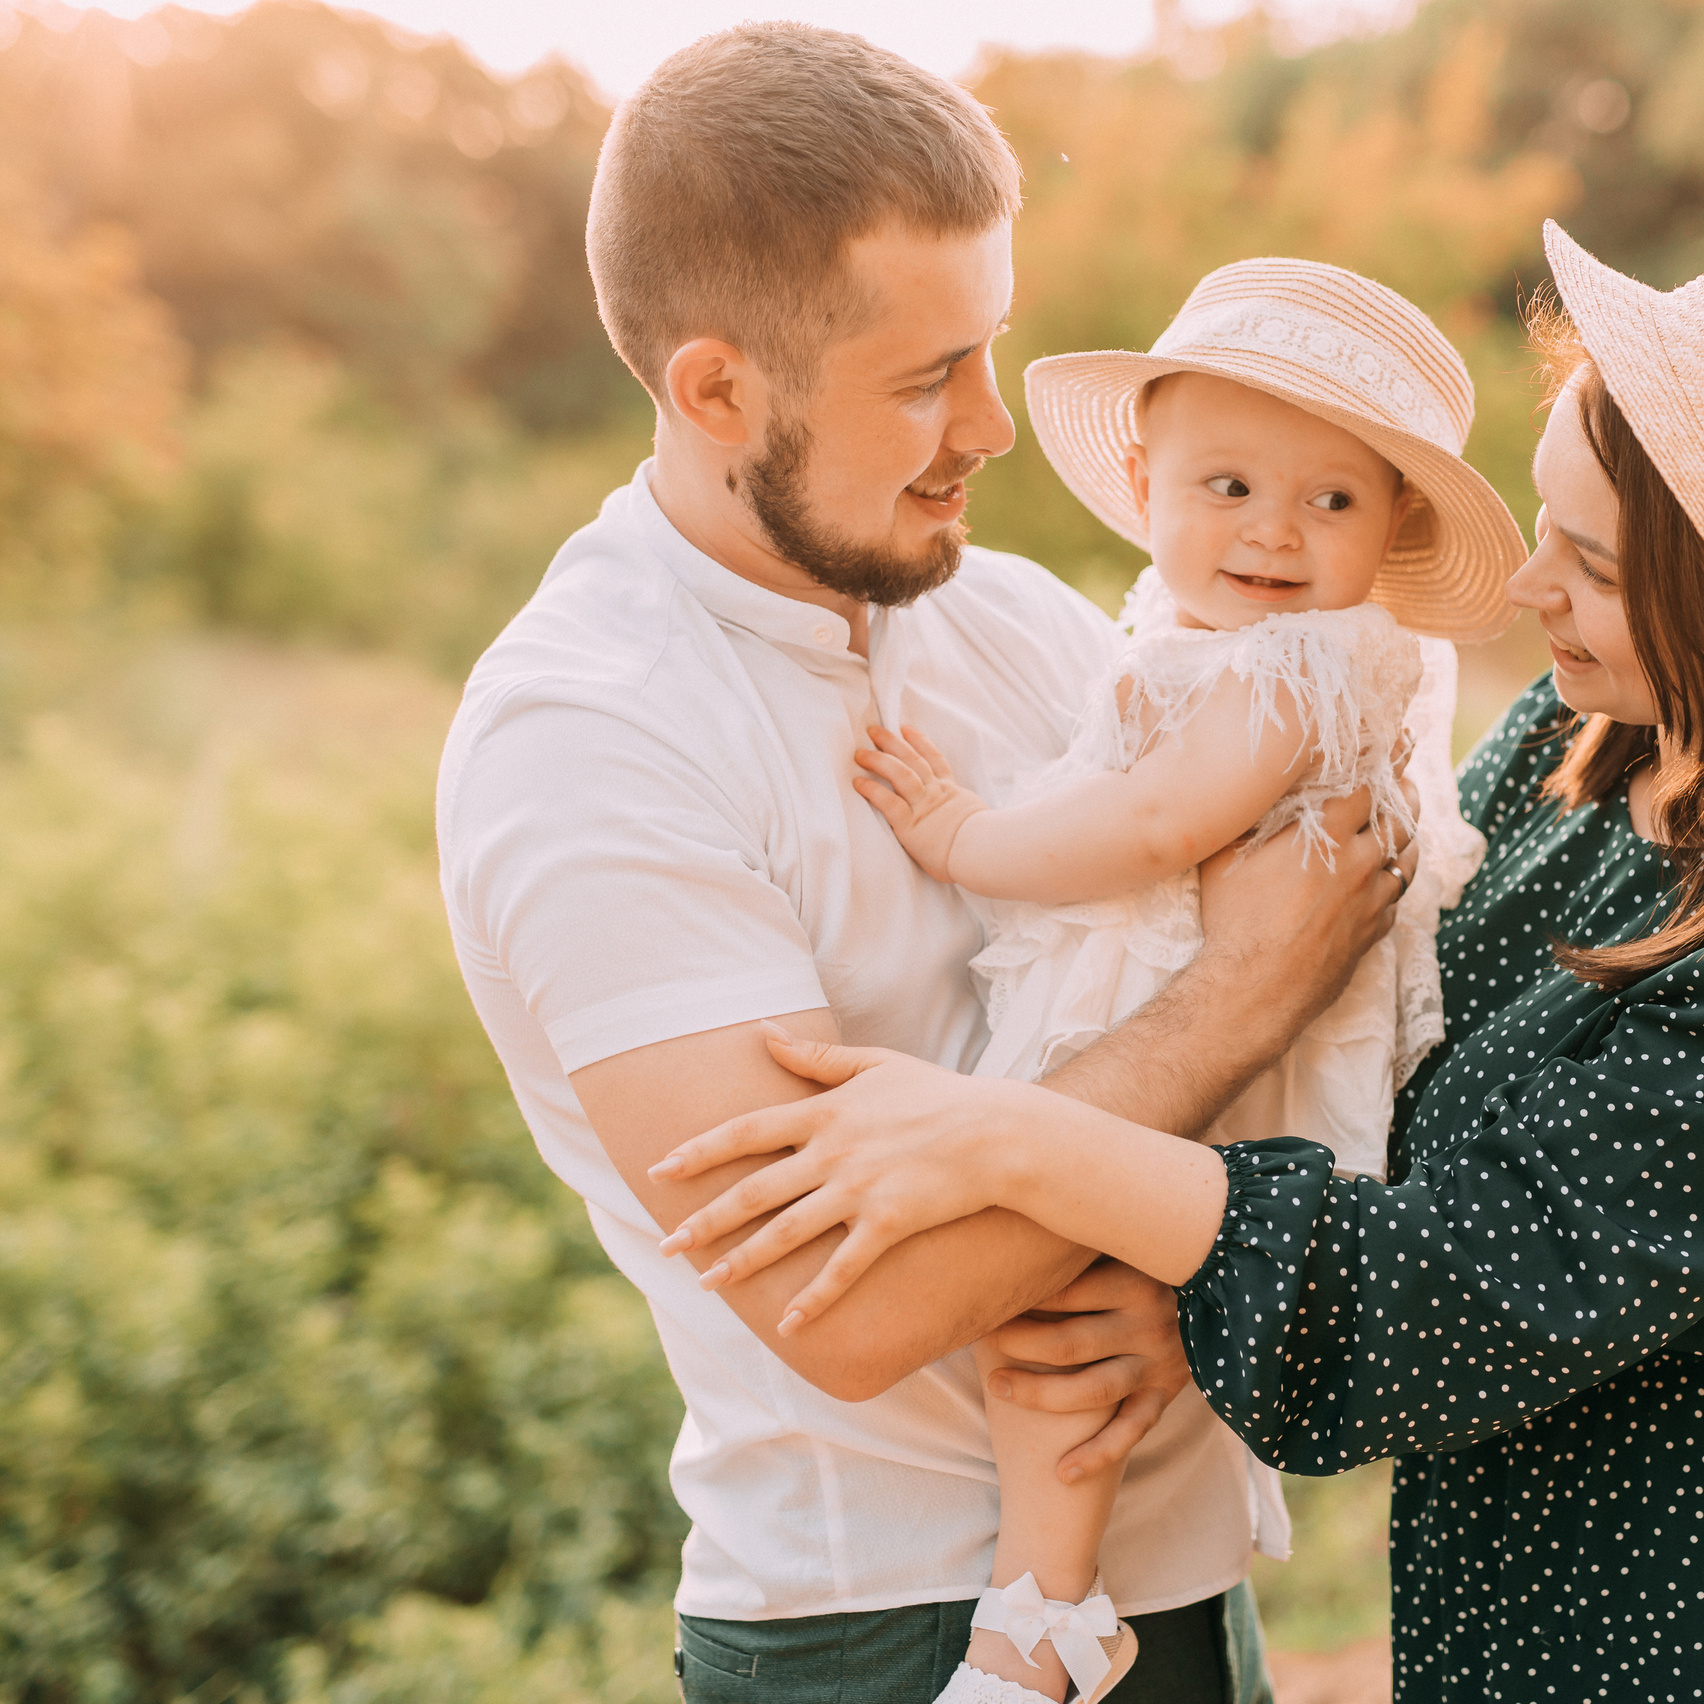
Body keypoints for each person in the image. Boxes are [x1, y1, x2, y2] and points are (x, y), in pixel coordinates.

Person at [649, 214, 1704, 1701]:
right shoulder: (1587, 745)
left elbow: (1471, 1288)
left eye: (1589, 565)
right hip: (1518, 1569)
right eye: (1546, 524)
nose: (1526, 589)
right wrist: (1197, 1278)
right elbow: (1409, 1078)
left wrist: (1009, 1138)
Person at [435, 26, 1419, 1702]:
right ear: (718, 390)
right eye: (924, 379)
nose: (992, 427)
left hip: (1185, 1592)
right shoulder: (589, 739)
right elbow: (855, 1305)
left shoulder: (1018, 618)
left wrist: (1201, 1280)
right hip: (887, 1631)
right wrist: (1245, 992)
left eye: (993, 350)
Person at [826, 259, 1520, 1701]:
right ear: (1145, 479)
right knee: (1057, 1300)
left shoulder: (1301, 668)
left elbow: (1155, 826)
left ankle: (1040, 1611)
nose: (1273, 531)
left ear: (1392, 526)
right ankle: (1052, 1603)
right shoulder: (1194, 636)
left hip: (1191, 1019)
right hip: (1171, 995)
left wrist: (961, 835)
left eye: (1332, 500)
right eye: (1229, 486)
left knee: (1057, 1288)